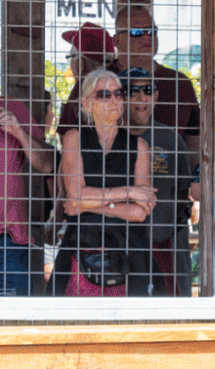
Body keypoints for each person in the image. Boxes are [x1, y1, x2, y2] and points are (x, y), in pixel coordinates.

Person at [52, 67, 157, 297]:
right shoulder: (74, 138)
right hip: (83, 247)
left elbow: (140, 213)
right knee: (76, 328)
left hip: (130, 253)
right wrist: (129, 192)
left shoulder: (139, 147)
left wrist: (90, 204)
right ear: (86, 102)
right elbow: (75, 197)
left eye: (118, 93)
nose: (114, 100)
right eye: (104, 94)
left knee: (131, 330)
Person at [59, 6, 200, 163]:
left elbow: (193, 149)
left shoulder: (180, 84)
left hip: (165, 184)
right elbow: (67, 143)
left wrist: (178, 184)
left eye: (152, 31)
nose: (148, 37)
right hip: (105, 184)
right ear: (116, 41)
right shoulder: (92, 83)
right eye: (136, 33)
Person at [121, 66, 193, 296]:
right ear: (119, 96)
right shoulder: (104, 136)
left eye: (148, 90)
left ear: (157, 96)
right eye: (133, 91)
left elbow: (183, 190)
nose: (142, 97)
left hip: (161, 245)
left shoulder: (170, 139)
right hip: (116, 246)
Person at [0, 93, 54, 295]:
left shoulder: (13, 107)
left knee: (15, 321)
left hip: (8, 242)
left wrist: (19, 132)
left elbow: (47, 165)